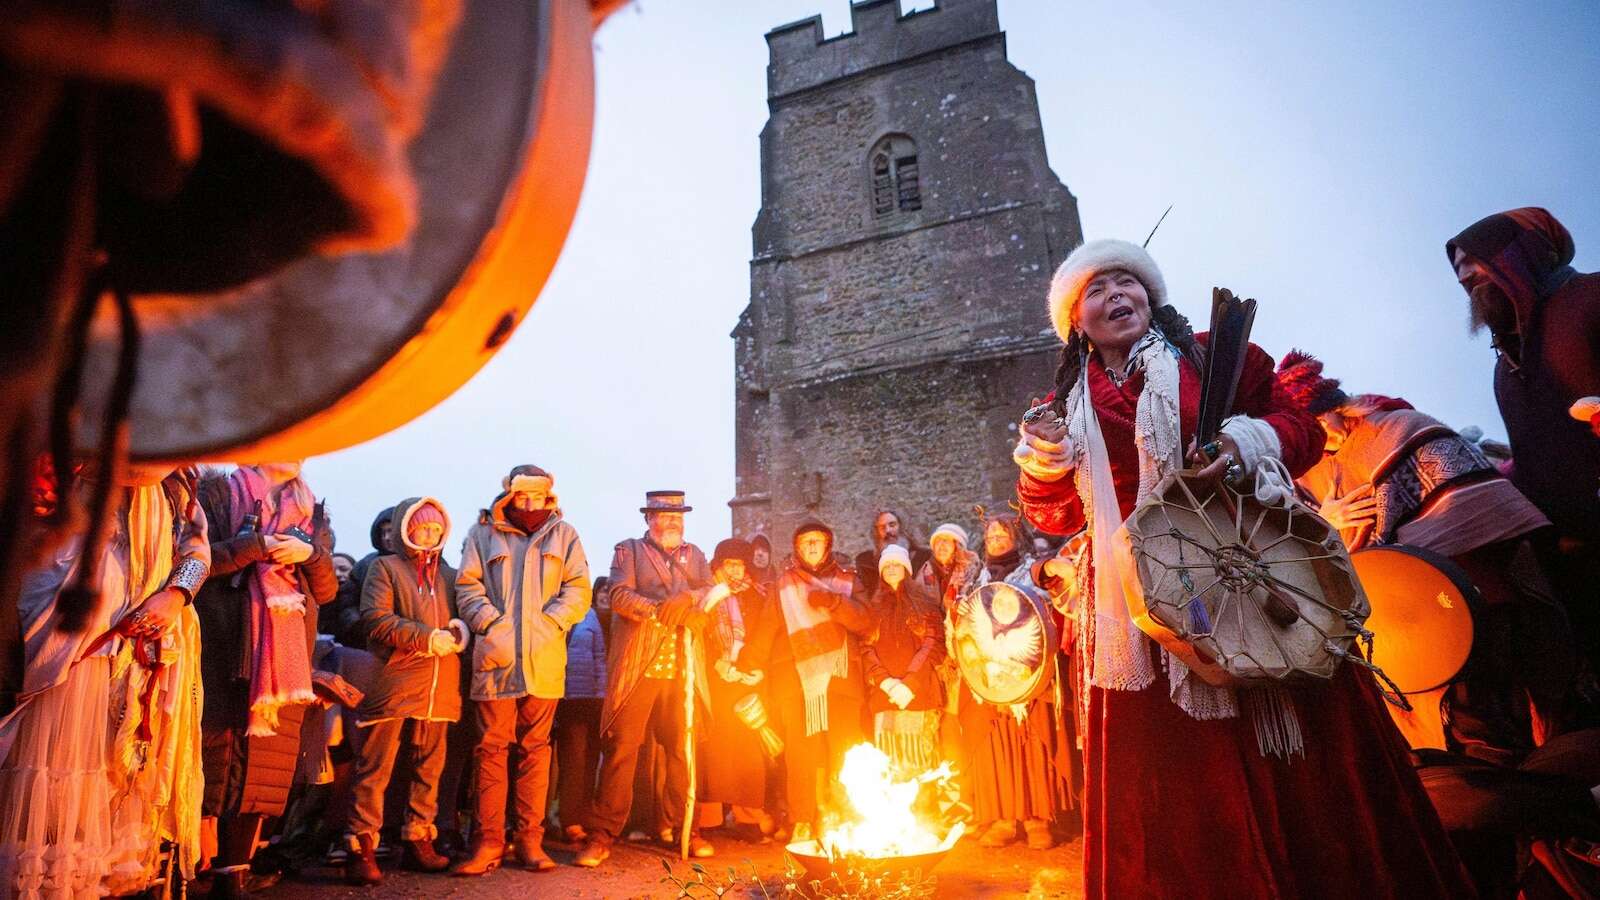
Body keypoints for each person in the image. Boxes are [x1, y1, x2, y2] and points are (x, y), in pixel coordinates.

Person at [1014, 238, 1472, 898]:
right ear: (1074, 322)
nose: (1116, 293)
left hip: (1256, 585)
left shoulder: (1214, 358)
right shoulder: (1063, 407)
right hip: (1140, 617)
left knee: (1308, 776)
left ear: (1152, 295)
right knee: (1177, 799)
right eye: (1096, 289)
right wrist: (1044, 461)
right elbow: (1056, 517)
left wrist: (1245, 439)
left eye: (1128, 281)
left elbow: (1303, 429)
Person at [1278, 350, 1582, 762]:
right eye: (1306, 429)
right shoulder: (1307, 477)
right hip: (1398, 625)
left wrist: (1425, 551)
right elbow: (1313, 557)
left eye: (1319, 421)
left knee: (1504, 711)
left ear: (1336, 407)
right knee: (1457, 739)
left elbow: (1475, 506)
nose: (1318, 434)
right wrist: (1327, 524)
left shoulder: (1401, 428)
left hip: (1475, 597)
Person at [0, 464, 209, 897]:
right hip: (68, 644)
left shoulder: (174, 481)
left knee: (111, 778)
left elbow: (196, 549)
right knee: (48, 779)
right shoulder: (59, 462)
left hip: (135, 654)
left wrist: (175, 595)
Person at [1447, 208, 1600, 666]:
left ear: (1524, 251)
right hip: (1576, 557)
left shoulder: (1591, 297)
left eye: (1475, 259)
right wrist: (1483, 477)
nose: (1465, 276)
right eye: (1458, 270)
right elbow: (1534, 459)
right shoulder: (1505, 371)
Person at [196, 462, 339, 895]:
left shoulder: (314, 514)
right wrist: (255, 545)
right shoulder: (217, 494)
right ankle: (190, 863)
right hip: (222, 647)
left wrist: (309, 555)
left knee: (265, 763)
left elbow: (328, 590)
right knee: (214, 755)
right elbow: (194, 562)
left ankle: (234, 871)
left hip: (284, 656)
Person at [452, 465, 592, 875]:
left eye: (537, 496)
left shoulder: (565, 535)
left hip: (544, 660)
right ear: (509, 495)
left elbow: (579, 588)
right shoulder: (482, 534)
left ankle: (530, 839)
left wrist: (550, 623)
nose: (529, 503)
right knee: (492, 750)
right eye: (522, 495)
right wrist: (492, 625)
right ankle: (488, 842)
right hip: (497, 659)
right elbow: (467, 586)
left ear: (549, 496)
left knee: (536, 749)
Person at [578, 491, 722, 867]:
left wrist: (690, 600)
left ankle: (685, 829)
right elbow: (620, 595)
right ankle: (602, 834)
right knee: (623, 749)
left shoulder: (696, 555)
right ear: (649, 519)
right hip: (640, 665)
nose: (672, 522)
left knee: (682, 749)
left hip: (684, 669)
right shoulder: (628, 551)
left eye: (677, 516)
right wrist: (662, 609)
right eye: (664, 515)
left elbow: (710, 589)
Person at [343, 497, 464, 884]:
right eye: (422, 527)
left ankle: (418, 837)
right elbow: (375, 619)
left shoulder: (449, 575)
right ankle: (360, 843)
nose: (429, 535)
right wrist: (426, 638)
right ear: (405, 530)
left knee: (429, 766)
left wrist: (461, 631)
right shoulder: (385, 567)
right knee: (375, 766)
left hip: (439, 682)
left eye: (435, 529)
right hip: (395, 677)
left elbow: (463, 614)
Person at [743, 521, 873, 842]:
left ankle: (844, 815)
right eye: (805, 542)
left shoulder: (847, 580)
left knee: (843, 748)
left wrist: (834, 603)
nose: (812, 546)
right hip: (795, 678)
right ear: (797, 548)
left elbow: (866, 621)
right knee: (802, 752)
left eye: (817, 541)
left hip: (841, 678)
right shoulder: (783, 585)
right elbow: (767, 627)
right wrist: (749, 662)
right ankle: (802, 818)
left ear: (827, 545)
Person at [960, 513, 1072, 850]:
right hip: (989, 678)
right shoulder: (976, 578)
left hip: (1028, 676)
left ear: (1016, 537)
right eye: (991, 536)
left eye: (1002, 535)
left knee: (1030, 745)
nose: (995, 540)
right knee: (996, 748)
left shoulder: (1034, 572)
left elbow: (1049, 616)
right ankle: (1004, 817)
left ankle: (1038, 819)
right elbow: (966, 621)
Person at [699, 539, 774, 837]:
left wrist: (752, 668)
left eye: (739, 564)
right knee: (714, 748)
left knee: (748, 748)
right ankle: (709, 818)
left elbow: (765, 631)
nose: (734, 570)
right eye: (728, 564)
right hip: (715, 679)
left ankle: (748, 817)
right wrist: (716, 664)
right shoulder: (708, 595)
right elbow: (699, 629)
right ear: (717, 566)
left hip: (747, 678)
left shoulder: (756, 596)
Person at [861, 545, 944, 772]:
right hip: (884, 695)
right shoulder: (873, 608)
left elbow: (933, 644)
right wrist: (885, 682)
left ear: (906, 569)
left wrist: (911, 683)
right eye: (886, 565)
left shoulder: (924, 604)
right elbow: (865, 648)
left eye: (896, 563)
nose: (891, 568)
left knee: (920, 763)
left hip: (919, 694)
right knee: (889, 765)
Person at [554, 605, 607, 843]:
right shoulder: (553, 606)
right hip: (560, 695)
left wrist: (602, 693)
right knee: (571, 758)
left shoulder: (590, 614)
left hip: (589, 696)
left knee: (588, 759)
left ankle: (583, 816)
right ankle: (568, 819)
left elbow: (600, 656)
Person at [325, 507, 396, 650]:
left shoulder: (428, 564)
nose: (387, 537)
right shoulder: (366, 564)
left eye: (391, 531)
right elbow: (346, 602)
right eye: (383, 532)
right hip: (370, 642)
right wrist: (358, 625)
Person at [853, 510, 931, 597]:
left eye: (892, 525)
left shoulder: (924, 557)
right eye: (882, 527)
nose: (888, 531)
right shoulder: (865, 562)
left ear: (902, 527)